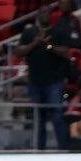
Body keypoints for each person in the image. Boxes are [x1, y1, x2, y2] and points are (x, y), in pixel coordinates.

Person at [15, 11, 72, 150]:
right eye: (42, 13)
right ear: (38, 16)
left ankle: (64, 150)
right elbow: (19, 51)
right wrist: (35, 42)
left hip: (54, 82)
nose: (45, 15)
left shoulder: (58, 31)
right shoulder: (29, 32)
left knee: (57, 117)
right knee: (38, 119)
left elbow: (66, 52)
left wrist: (49, 46)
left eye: (47, 13)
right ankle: (39, 150)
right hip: (35, 82)